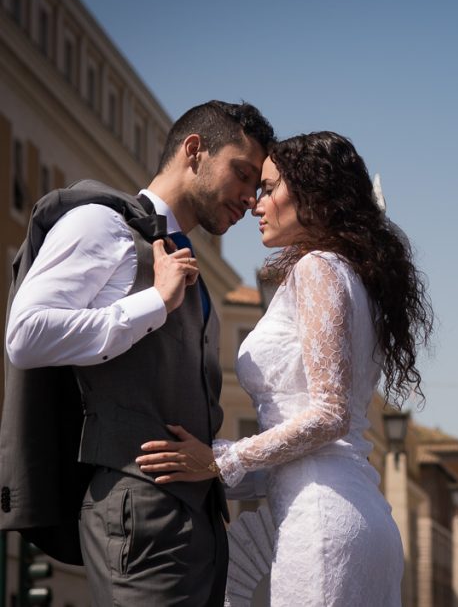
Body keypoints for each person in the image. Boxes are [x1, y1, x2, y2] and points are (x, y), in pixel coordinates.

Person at [136, 131, 433, 606]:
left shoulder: (319, 268)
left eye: (270, 187)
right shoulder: (356, 279)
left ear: (313, 196)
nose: (256, 203)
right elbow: (328, 432)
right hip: (355, 513)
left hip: (323, 524)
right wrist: (219, 471)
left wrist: (220, 459)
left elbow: (329, 415)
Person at [1, 101, 275, 606]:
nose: (249, 197)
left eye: (259, 186)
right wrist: (156, 302)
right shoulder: (101, 225)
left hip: (198, 527)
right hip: (139, 516)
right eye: (242, 173)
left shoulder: (185, 262)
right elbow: (26, 333)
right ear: (195, 151)